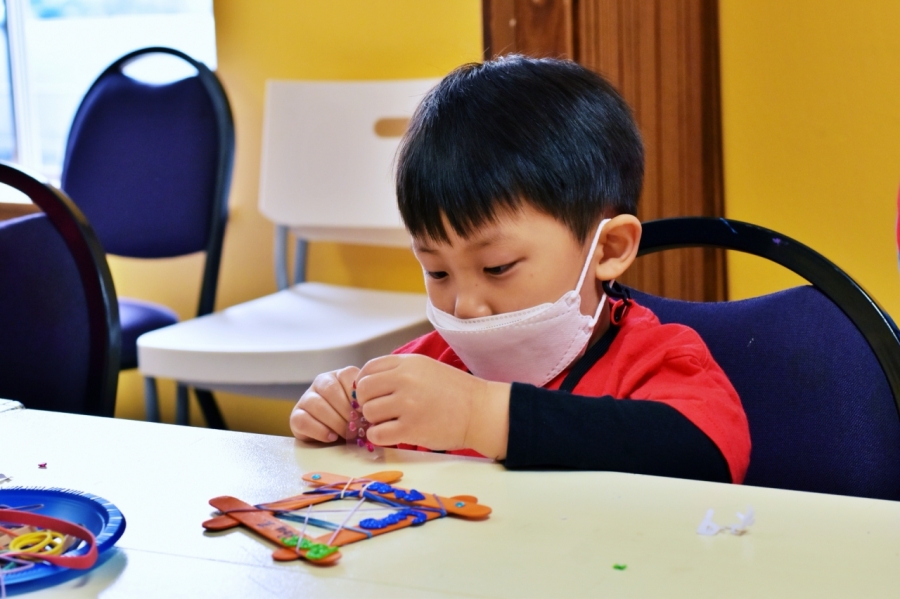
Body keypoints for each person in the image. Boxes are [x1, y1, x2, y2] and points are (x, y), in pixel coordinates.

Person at [290, 55, 750, 484]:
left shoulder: (653, 362)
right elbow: (368, 470)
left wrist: (481, 416)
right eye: (437, 272)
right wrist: (338, 421)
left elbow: (707, 456)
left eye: (497, 267)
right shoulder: (428, 367)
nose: (465, 307)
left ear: (608, 248)